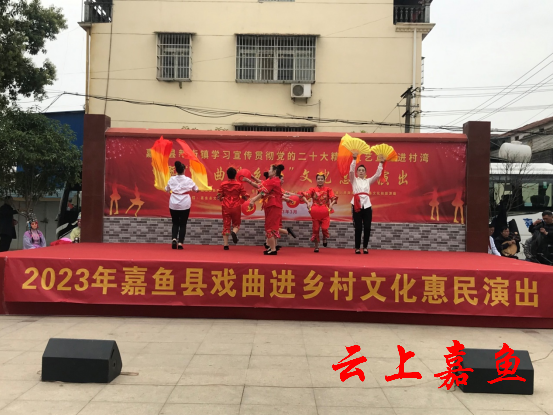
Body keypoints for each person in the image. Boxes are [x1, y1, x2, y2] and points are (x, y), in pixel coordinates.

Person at [243, 172, 296, 250]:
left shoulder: (276, 187)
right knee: (272, 227)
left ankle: (272, 245)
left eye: (282, 179)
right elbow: (259, 185)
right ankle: (273, 244)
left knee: (272, 227)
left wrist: (291, 197)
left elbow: (282, 194)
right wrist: (251, 179)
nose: (282, 181)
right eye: (281, 179)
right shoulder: (268, 185)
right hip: (270, 207)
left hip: (274, 208)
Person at [350, 153, 385, 254]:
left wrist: (381, 163)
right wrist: (354, 159)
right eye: (359, 170)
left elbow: (377, 175)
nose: (361, 171)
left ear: (365, 172)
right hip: (356, 205)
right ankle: (357, 248)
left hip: (367, 206)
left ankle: (365, 247)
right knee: (358, 227)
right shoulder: (354, 180)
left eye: (363, 170)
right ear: (357, 172)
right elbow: (351, 171)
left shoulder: (368, 181)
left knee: (367, 227)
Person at [248, 164, 284, 255]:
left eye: (270, 169)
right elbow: (261, 185)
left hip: (274, 205)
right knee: (270, 226)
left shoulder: (274, 181)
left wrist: (253, 200)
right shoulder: (271, 180)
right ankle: (272, 248)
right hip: (271, 205)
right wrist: (251, 179)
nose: (268, 171)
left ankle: (273, 249)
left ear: (274, 172)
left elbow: (263, 192)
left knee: (270, 227)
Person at [165, 161, 199, 249]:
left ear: (176, 170)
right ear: (184, 170)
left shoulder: (172, 179)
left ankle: (174, 239)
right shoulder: (188, 180)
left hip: (173, 203)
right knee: (183, 224)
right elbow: (196, 189)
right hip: (185, 203)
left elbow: (167, 189)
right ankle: (180, 243)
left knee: (175, 222)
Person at [301, 172, 337, 252]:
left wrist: (331, 204)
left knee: (324, 228)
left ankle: (324, 237)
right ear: (316, 180)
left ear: (324, 180)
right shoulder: (313, 190)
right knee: (316, 229)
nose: (320, 180)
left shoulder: (328, 190)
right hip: (315, 212)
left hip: (324, 211)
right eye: (318, 179)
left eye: (321, 179)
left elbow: (334, 198)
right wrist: (307, 203)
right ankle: (316, 247)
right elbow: (304, 195)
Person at [216, 167, 249, 250]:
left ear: (227, 175)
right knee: (236, 224)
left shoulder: (223, 184)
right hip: (236, 206)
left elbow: (219, 196)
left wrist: (221, 198)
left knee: (226, 225)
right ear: (235, 175)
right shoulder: (239, 184)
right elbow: (244, 195)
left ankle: (226, 245)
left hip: (226, 206)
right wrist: (245, 198)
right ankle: (234, 232)